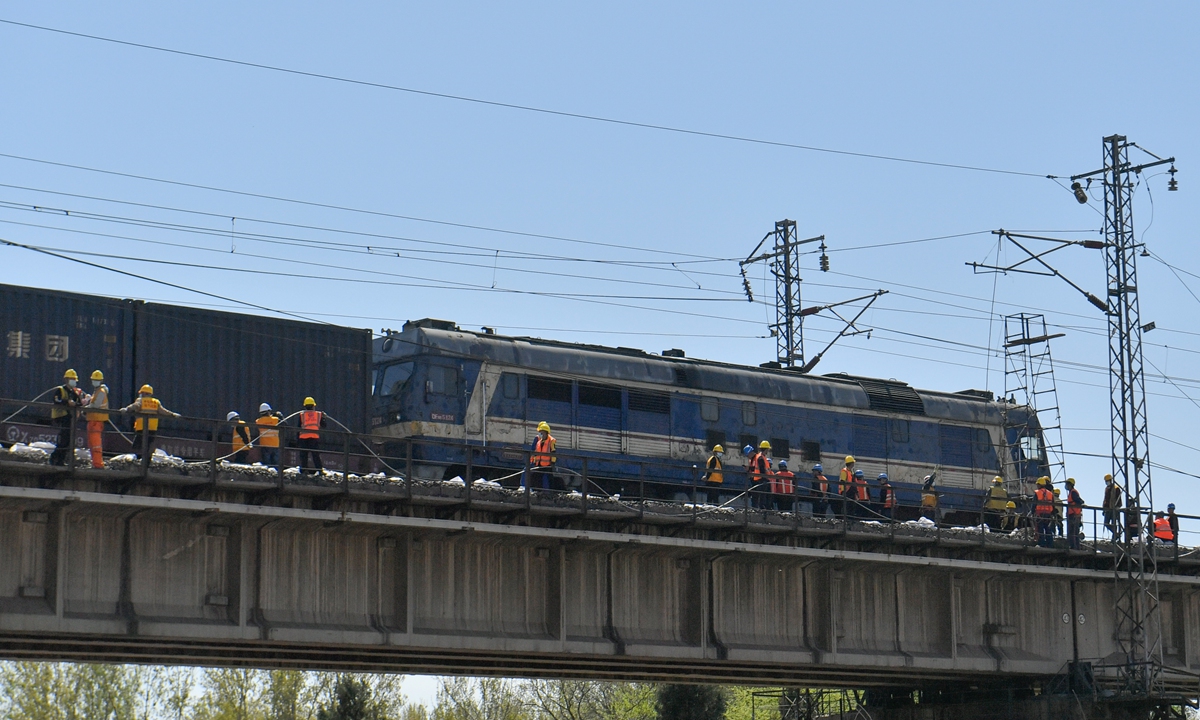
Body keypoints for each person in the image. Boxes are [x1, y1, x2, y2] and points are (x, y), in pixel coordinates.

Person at [119, 385, 180, 470]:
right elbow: (163, 411)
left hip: (142, 427)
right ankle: (146, 464)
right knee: (149, 446)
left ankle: (138, 461)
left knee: (138, 445)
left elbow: (135, 406)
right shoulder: (156, 402)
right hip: (152, 428)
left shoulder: (141, 400)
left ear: (143, 393)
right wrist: (173, 414)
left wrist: (126, 409)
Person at [49, 369, 84, 466]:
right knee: (63, 439)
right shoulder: (60, 390)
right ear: (67, 379)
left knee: (68, 440)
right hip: (61, 417)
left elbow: (79, 403)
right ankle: (55, 458)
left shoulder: (74, 393)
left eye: (74, 379)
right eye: (71, 379)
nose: (74, 381)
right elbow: (56, 401)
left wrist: (80, 402)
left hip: (69, 418)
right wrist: (67, 402)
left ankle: (61, 460)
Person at [82, 370, 109, 468]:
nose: (94, 381)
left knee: (96, 444)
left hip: (96, 421)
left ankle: (98, 464)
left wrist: (85, 408)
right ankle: (95, 463)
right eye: (94, 380)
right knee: (92, 444)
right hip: (93, 420)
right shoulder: (97, 392)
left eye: (96, 380)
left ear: (100, 381)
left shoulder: (100, 392)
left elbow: (96, 405)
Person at [297, 396, 326, 474]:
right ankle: (320, 470)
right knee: (315, 455)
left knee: (304, 455)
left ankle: (303, 470)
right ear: (313, 406)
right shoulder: (318, 415)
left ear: (305, 406)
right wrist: (323, 417)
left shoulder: (301, 415)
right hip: (314, 438)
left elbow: (298, 427)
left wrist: (297, 440)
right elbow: (324, 425)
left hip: (303, 438)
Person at [528, 421, 556, 490]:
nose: (540, 434)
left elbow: (553, 452)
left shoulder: (551, 441)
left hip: (547, 465)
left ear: (546, 433)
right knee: (536, 478)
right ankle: (537, 492)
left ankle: (552, 494)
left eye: (542, 432)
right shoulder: (539, 442)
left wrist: (552, 462)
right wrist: (533, 462)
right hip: (539, 464)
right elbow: (535, 453)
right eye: (540, 432)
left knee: (550, 479)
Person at [747, 441, 773, 508]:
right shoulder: (761, 458)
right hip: (763, 479)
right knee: (763, 497)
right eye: (768, 449)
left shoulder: (760, 457)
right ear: (766, 449)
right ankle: (762, 508)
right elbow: (762, 469)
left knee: (762, 496)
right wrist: (764, 478)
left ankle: (762, 508)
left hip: (762, 479)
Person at [1034, 477, 1055, 547]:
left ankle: (1041, 544)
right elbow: (1053, 504)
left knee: (1040, 529)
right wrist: (1053, 513)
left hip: (1040, 513)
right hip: (1048, 514)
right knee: (1048, 529)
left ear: (1040, 485)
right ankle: (1050, 544)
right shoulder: (1050, 493)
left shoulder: (1037, 493)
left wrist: (1032, 511)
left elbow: (1034, 503)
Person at [1065, 478, 1084, 550]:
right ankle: (1073, 546)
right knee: (1072, 532)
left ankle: (1075, 547)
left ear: (1070, 485)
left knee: (1074, 532)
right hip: (1072, 514)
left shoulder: (1073, 492)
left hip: (1074, 515)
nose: (1066, 486)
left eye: (1067, 484)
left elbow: (1079, 501)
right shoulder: (1071, 492)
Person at [1102, 473, 1122, 540]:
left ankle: (1114, 539)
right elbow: (1105, 499)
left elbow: (1119, 499)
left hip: (1114, 509)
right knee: (1106, 523)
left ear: (1111, 480)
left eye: (1107, 481)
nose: (1106, 482)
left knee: (1114, 524)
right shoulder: (1106, 489)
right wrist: (1103, 509)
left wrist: (1117, 507)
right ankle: (1116, 534)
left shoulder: (1116, 488)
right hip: (1107, 509)